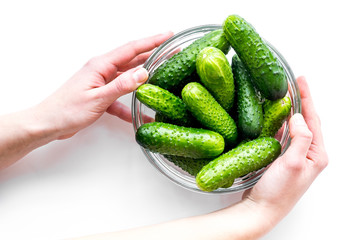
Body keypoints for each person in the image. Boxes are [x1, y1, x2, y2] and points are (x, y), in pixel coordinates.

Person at [0, 32, 328, 240]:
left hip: (224, 133)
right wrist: (257, 212)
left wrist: (43, 121)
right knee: (225, 132)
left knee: (229, 130)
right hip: (223, 138)